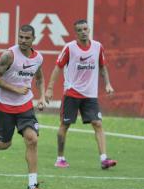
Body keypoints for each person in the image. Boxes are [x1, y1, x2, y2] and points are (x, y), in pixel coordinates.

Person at [0, 25, 46, 189]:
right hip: (4, 105)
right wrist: (15, 89)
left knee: (32, 139)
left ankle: (32, 185)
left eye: (27, 38)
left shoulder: (38, 58)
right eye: (20, 37)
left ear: (33, 39)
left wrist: (42, 97)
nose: (23, 40)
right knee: (5, 142)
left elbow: (40, 78)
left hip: (25, 105)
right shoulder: (9, 56)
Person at [45, 19, 117, 170]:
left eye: (85, 29)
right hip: (72, 92)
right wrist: (50, 88)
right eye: (80, 30)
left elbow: (103, 67)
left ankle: (104, 159)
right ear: (75, 32)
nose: (83, 32)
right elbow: (58, 67)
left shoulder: (98, 47)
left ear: (89, 29)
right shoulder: (70, 48)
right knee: (65, 125)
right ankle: (60, 158)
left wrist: (108, 84)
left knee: (97, 123)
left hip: (90, 95)